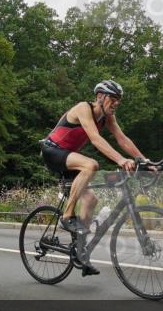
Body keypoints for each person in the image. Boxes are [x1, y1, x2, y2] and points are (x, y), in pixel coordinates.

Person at [40, 79, 148, 276]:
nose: (116, 103)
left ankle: (81, 253)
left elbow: (122, 139)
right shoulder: (83, 108)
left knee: (91, 199)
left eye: (119, 100)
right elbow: (95, 139)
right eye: (113, 99)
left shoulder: (107, 118)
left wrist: (146, 161)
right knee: (91, 165)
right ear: (100, 97)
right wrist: (121, 160)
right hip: (52, 151)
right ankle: (67, 216)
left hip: (70, 158)